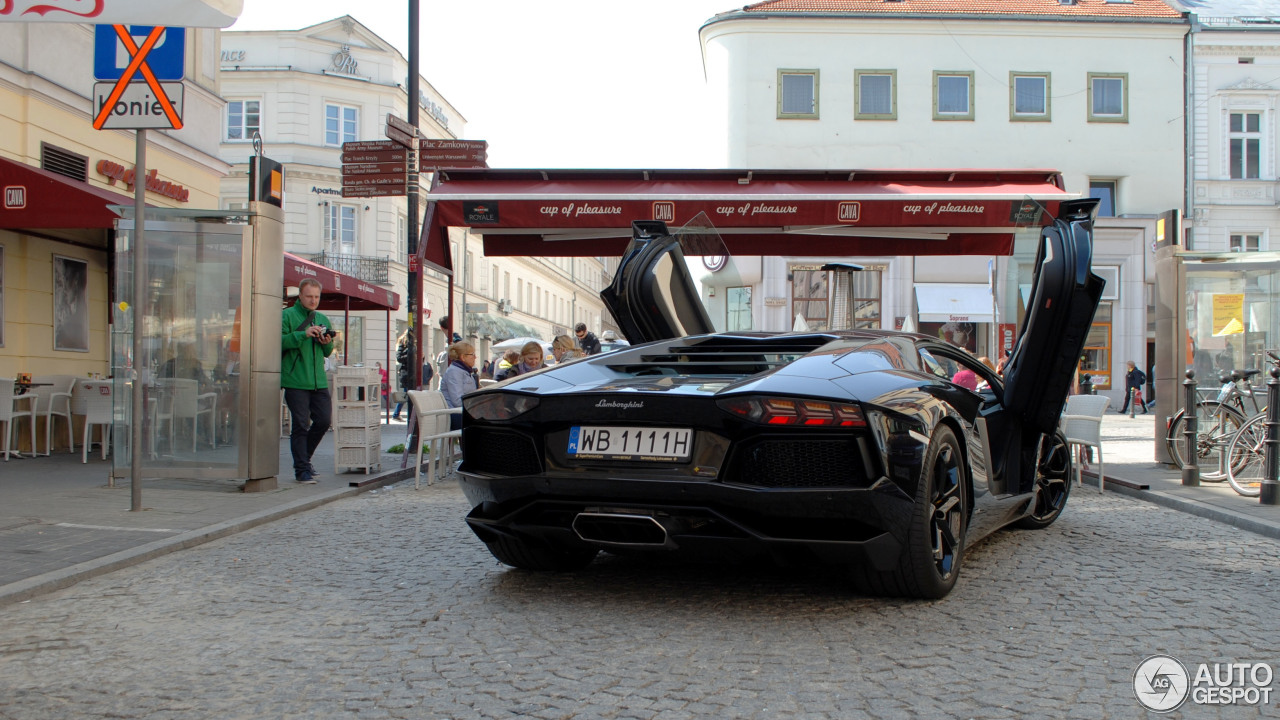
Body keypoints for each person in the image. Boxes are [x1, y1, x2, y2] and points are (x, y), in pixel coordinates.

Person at [281, 278, 336, 484]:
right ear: (300, 296)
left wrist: (326, 342)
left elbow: (328, 351)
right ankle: (302, 469)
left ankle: (305, 460)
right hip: (295, 379)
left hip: (318, 381)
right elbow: (279, 341)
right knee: (301, 425)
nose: (313, 300)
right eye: (309, 296)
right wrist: (302, 334)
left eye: (316, 297)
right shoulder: (287, 315)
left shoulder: (322, 318)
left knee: (323, 421)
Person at [440, 341, 479, 431]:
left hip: (464, 412)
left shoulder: (464, 371)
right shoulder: (454, 372)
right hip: (455, 414)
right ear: (463, 357)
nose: (475, 357)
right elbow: (457, 401)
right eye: (472, 354)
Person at [392, 329, 413, 421]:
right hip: (406, 374)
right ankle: (397, 414)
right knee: (407, 394)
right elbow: (399, 358)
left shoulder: (411, 345)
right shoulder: (403, 345)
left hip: (410, 373)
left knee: (407, 394)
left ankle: (397, 414)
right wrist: (409, 355)